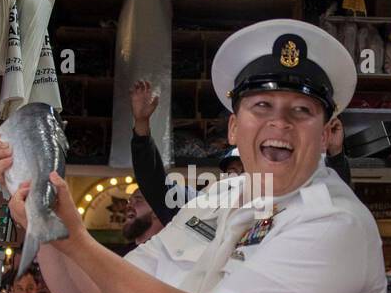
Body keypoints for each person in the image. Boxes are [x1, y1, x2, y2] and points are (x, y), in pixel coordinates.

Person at [0, 19, 391, 293]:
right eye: (261, 106)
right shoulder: (217, 199)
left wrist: (75, 238)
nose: (279, 123)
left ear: (325, 135)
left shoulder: (334, 223)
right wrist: (41, 214)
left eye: (301, 111)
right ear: (234, 127)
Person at [129, 77, 353, 226]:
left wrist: (335, 154)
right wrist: (141, 126)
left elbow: (334, 200)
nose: (236, 176)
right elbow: (156, 185)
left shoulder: (286, 207)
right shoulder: (210, 205)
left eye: (243, 170)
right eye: (231, 171)